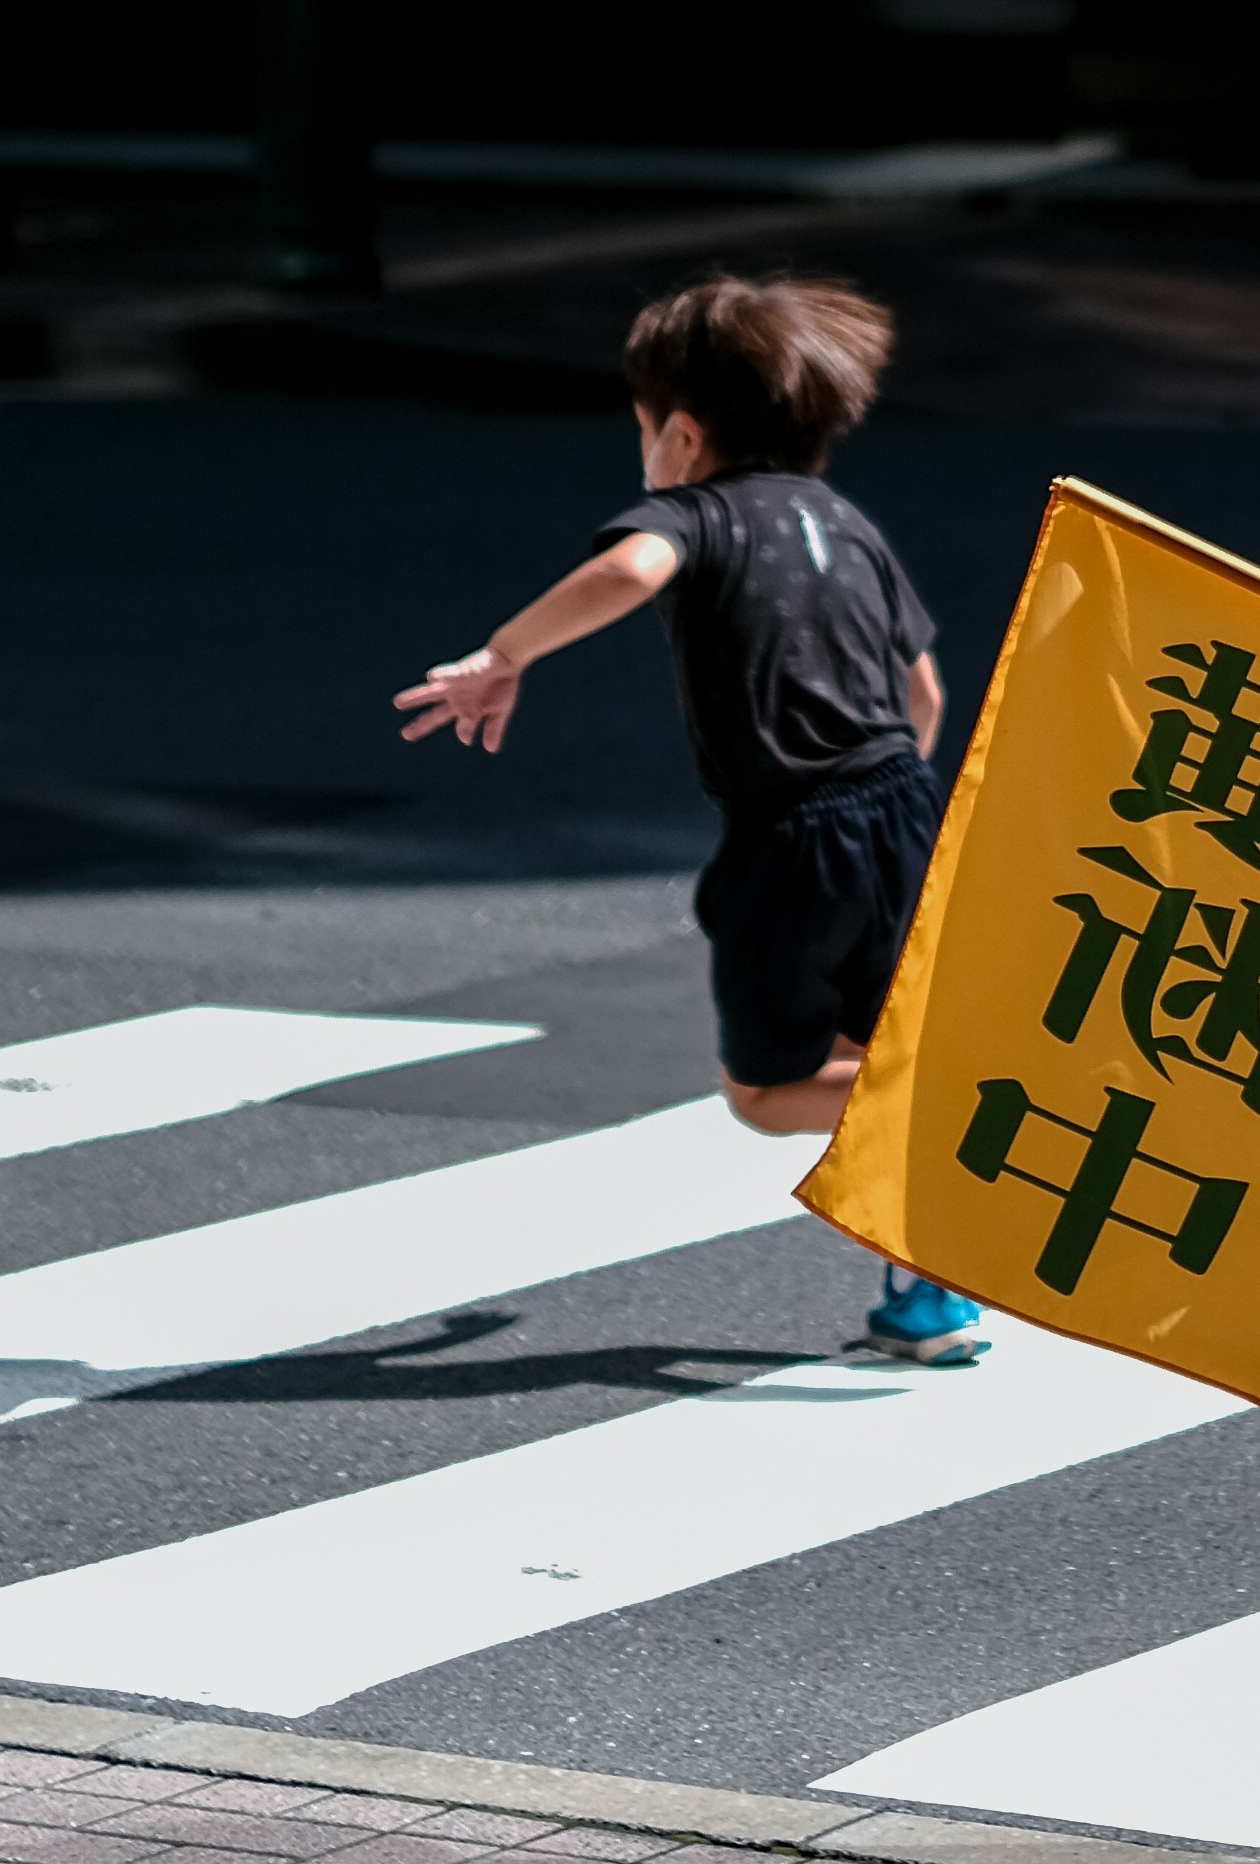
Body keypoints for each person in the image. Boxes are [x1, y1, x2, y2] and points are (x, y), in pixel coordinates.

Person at [394, 269, 986, 1367]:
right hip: (904, 806)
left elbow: (627, 566)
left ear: (678, 432)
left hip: (794, 832)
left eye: (640, 431)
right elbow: (927, 697)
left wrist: (503, 653)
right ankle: (926, 1297)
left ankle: (962, 1112)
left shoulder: (690, 513)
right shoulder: (846, 525)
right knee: (870, 1053)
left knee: (769, 1094)